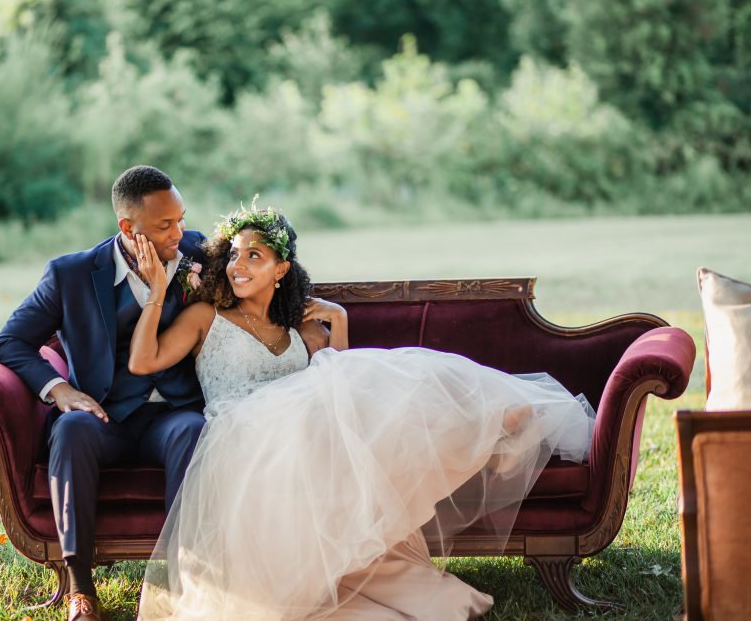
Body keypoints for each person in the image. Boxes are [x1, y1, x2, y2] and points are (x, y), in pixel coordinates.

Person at [128, 204, 595, 620]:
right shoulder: (206, 317)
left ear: (281, 269)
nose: (238, 265)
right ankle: (488, 431)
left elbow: (341, 382)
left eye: (254, 256)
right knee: (353, 385)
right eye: (234, 254)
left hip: (303, 437)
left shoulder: (299, 329)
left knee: (360, 376)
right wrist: (156, 293)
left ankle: (488, 425)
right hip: (242, 439)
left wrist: (340, 319)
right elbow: (143, 361)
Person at [0, 166, 208, 621]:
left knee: (194, 430)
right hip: (103, 415)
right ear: (128, 228)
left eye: (181, 219)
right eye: (164, 225)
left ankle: (185, 580)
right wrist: (60, 389)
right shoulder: (70, 275)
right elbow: (9, 342)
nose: (178, 232)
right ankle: (80, 588)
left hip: (171, 412)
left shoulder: (197, 255)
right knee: (70, 430)